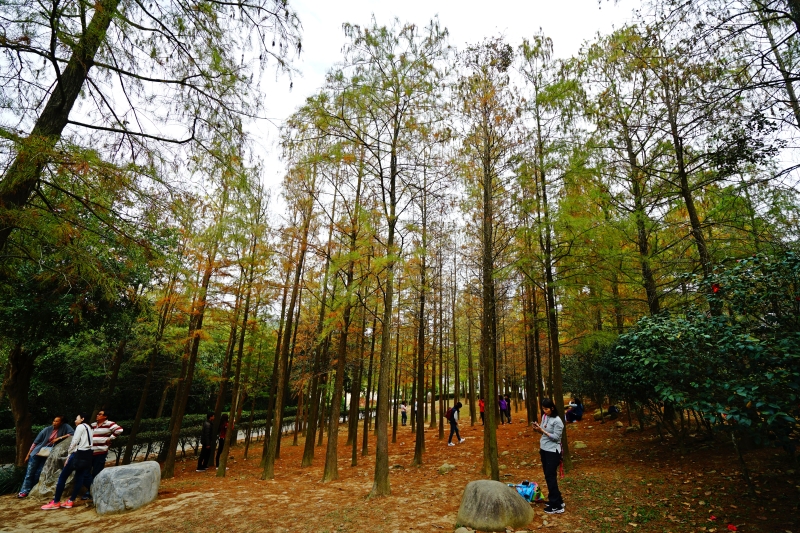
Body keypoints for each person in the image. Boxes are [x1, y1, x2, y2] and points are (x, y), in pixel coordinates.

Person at [41, 414, 93, 510]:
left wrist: (69, 455)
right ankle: (71, 501)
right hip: (87, 454)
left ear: (82, 419)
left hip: (77, 453)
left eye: (76, 418)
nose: (75, 420)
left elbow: (74, 441)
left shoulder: (80, 427)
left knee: (63, 477)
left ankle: (56, 501)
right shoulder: (90, 427)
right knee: (79, 477)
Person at [18, 415, 73, 498]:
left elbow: (72, 433)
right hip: (37, 453)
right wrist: (28, 454)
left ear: (61, 422)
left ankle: (31, 490)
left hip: (47, 455)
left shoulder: (65, 427)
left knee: (38, 473)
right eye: (54, 421)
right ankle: (24, 491)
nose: (54, 423)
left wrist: (60, 438)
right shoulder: (47, 429)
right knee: (30, 472)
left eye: (57, 421)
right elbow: (35, 442)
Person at [531, 398, 565, 515]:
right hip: (544, 449)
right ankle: (557, 500)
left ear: (552, 408)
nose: (544, 411)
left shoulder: (558, 421)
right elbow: (543, 431)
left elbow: (556, 437)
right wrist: (537, 429)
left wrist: (543, 431)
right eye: (543, 409)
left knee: (550, 476)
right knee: (547, 475)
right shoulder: (545, 417)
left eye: (546, 409)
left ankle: (556, 506)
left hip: (553, 451)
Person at [83, 409, 122, 500]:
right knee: (85, 472)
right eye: (98, 414)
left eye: (100, 414)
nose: (97, 415)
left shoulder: (109, 424)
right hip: (90, 452)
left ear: (105, 416)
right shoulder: (93, 425)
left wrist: (110, 438)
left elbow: (119, 430)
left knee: (97, 472)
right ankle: (92, 489)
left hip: (100, 452)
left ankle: (92, 492)